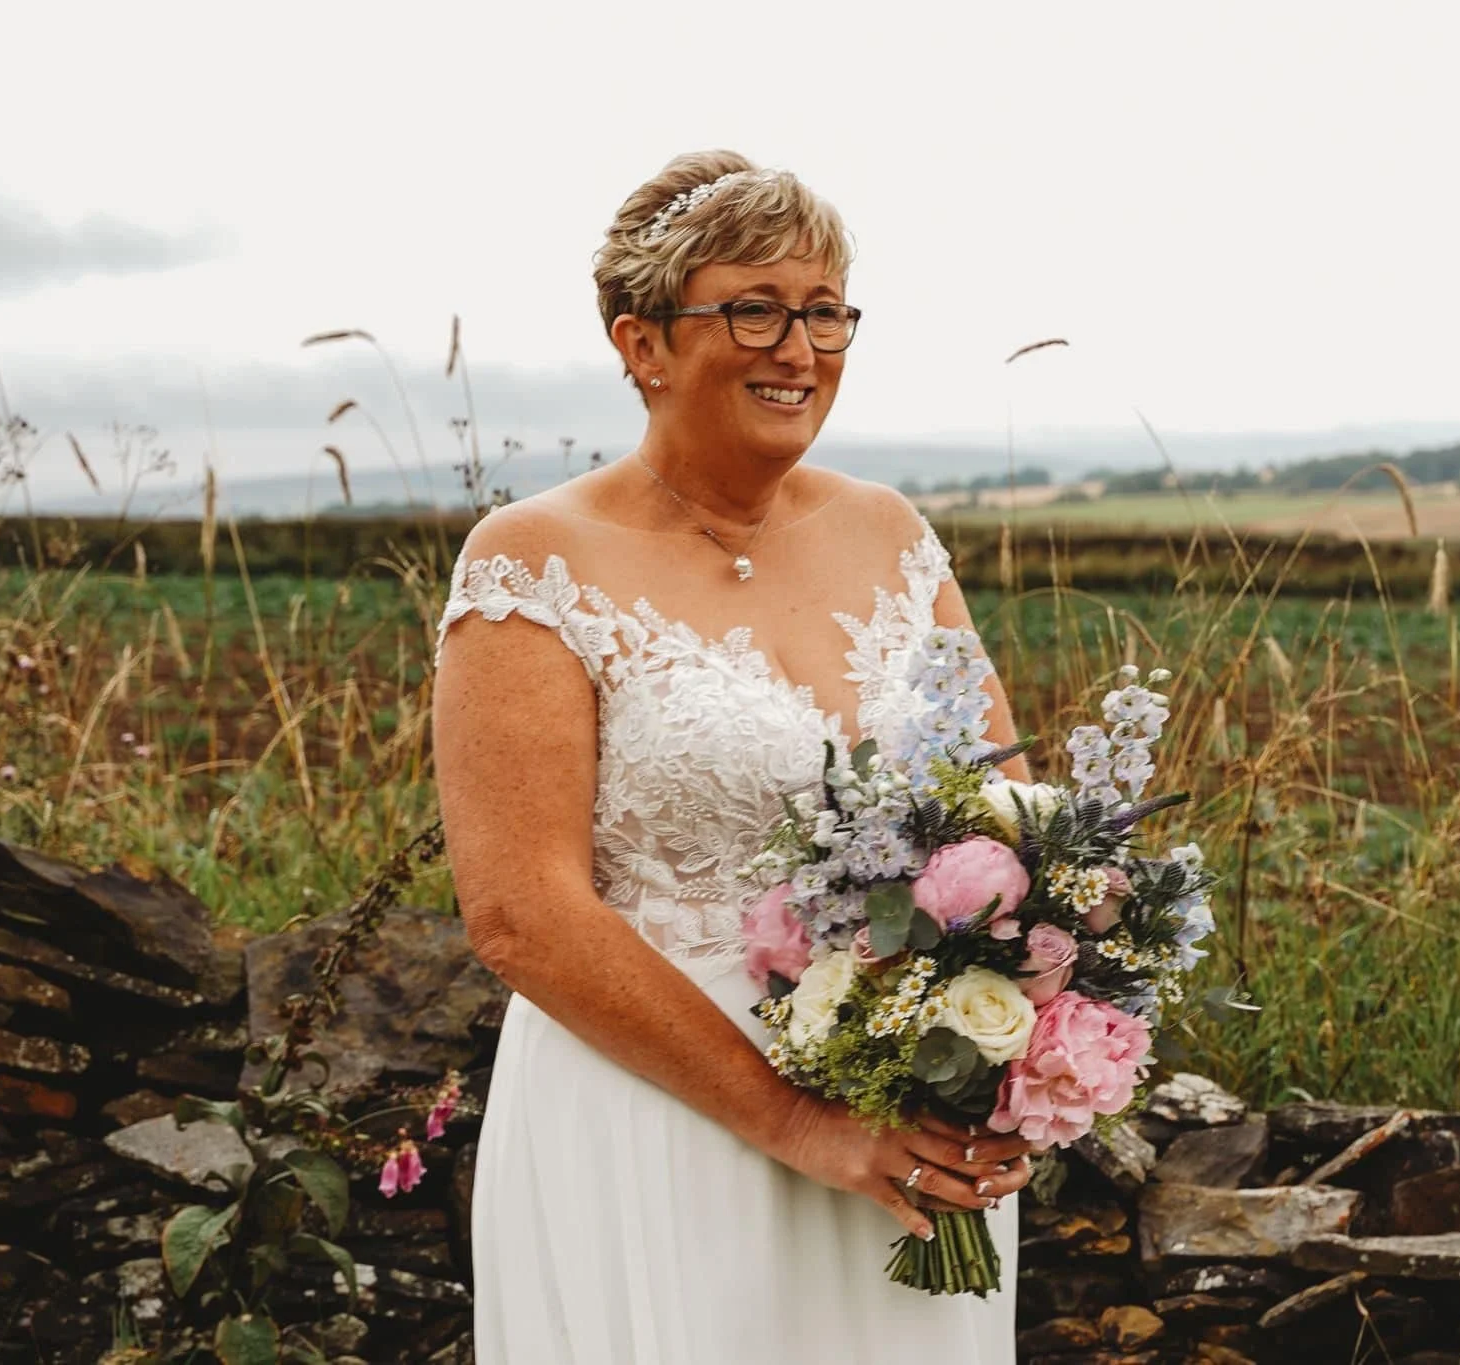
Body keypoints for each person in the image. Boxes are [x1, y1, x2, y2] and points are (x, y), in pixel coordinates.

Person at [431, 150, 1033, 1363]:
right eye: (752, 307)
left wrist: (1018, 1011)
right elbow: (517, 914)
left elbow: (1008, 804)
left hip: (902, 1112)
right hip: (655, 1118)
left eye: (824, 311)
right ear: (642, 343)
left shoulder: (891, 532)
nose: (798, 347)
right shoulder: (534, 563)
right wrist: (795, 1123)